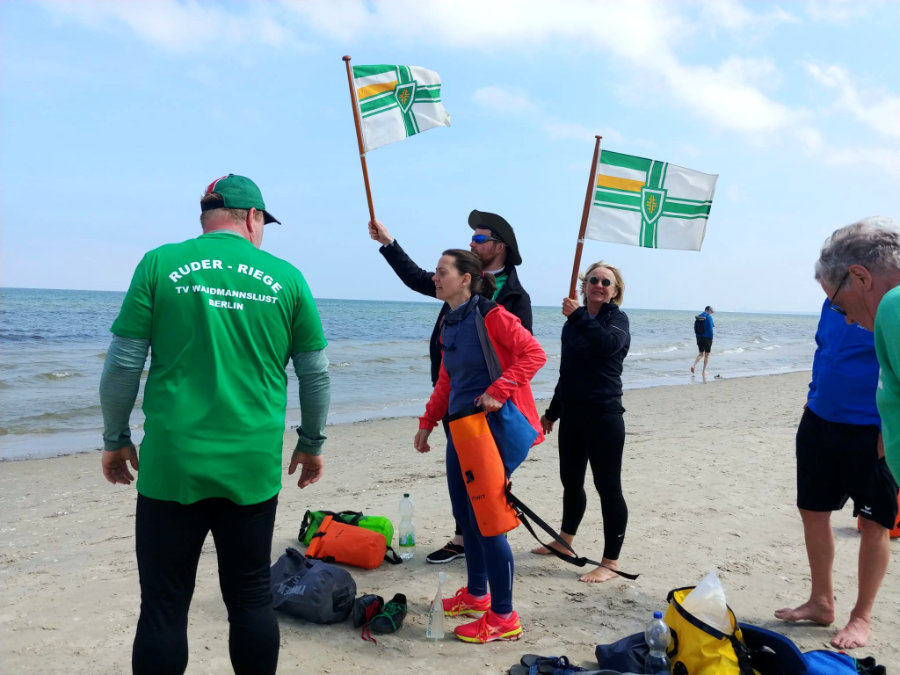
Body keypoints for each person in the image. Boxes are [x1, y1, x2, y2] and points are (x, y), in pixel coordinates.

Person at [99, 174, 331, 675]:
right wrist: (311, 443)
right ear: (252, 218)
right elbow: (315, 372)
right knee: (249, 598)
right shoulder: (286, 278)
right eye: (264, 222)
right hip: (250, 468)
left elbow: (122, 364)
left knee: (163, 606)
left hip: (172, 465)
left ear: (207, 217)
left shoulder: (160, 264)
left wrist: (115, 438)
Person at [369, 210, 532, 564]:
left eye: (478, 238)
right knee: (463, 485)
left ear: (498, 246)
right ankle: (465, 542)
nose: (471, 240)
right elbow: (417, 278)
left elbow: (525, 354)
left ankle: (489, 560)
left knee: (488, 492)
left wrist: (499, 392)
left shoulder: (512, 297)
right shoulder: (453, 293)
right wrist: (388, 244)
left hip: (491, 408)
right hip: (455, 400)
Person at [413, 249, 545, 643]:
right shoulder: (449, 323)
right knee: (465, 518)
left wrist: (499, 390)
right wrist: (428, 422)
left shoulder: (491, 315)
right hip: (460, 431)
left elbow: (534, 354)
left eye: (441, 272)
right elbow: (447, 380)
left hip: (489, 434)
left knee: (489, 522)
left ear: (466, 278)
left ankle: (504, 617)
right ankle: (476, 594)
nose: (434, 278)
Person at [774, 298, 898, 650]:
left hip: (872, 430)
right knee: (812, 512)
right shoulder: (832, 302)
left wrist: (890, 428)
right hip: (819, 420)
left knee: (876, 524)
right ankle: (821, 602)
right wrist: (813, 393)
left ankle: (861, 616)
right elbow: (825, 349)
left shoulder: (888, 303)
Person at [535, 261, 631, 583]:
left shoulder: (617, 320)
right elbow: (568, 374)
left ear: (615, 291)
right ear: (584, 285)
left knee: (608, 487)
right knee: (571, 482)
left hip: (604, 416)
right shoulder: (571, 325)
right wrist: (552, 412)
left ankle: (611, 563)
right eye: (594, 280)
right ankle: (565, 542)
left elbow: (607, 346)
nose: (599, 285)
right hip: (573, 415)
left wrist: (577, 316)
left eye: (606, 282)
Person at [691, 305, 714, 378]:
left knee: (701, 354)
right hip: (707, 338)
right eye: (711, 312)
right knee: (707, 355)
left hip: (699, 337)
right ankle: (704, 371)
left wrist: (698, 337)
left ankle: (694, 365)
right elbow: (710, 329)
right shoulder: (709, 317)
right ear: (709, 310)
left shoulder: (698, 317)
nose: (711, 313)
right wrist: (711, 339)